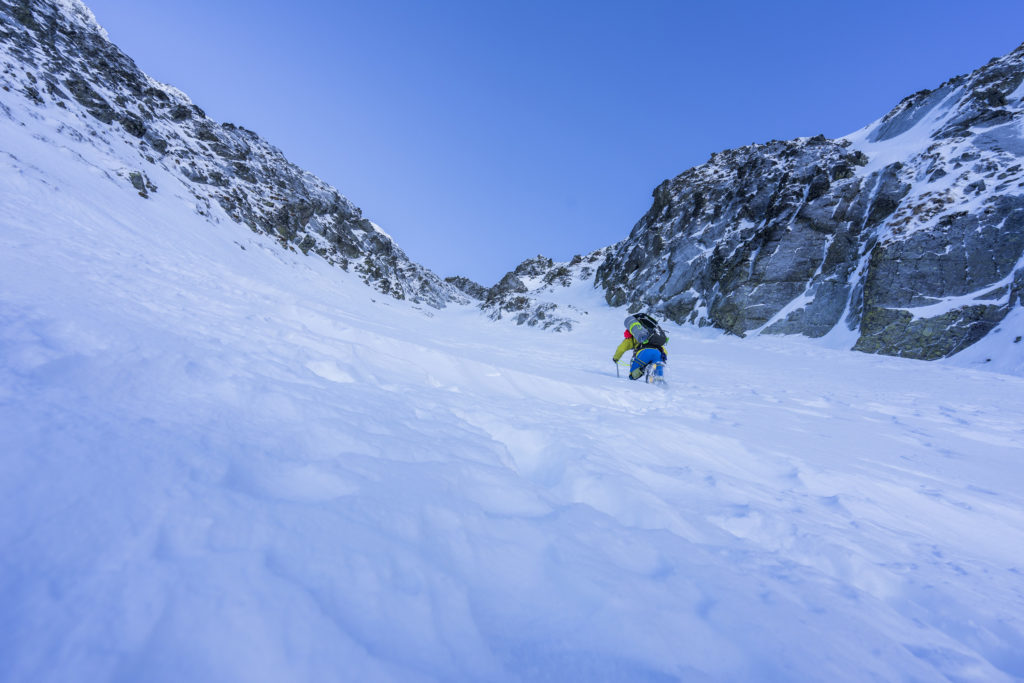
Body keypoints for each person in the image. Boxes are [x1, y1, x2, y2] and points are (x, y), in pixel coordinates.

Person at [612, 313, 668, 381]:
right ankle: (661, 387)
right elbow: (664, 350)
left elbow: (621, 348)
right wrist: (663, 358)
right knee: (659, 378)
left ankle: (644, 368)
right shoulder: (653, 337)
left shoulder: (633, 337)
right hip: (658, 354)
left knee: (632, 376)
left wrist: (616, 358)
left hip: (644, 353)